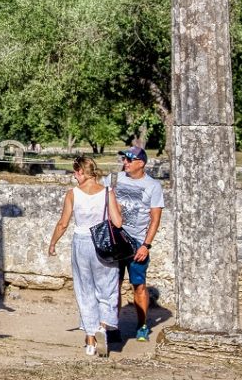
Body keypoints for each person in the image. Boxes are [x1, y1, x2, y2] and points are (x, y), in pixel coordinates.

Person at [48, 156, 123, 357]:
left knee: (85, 290)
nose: (74, 176)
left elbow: (63, 223)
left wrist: (53, 243)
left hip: (81, 242)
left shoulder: (73, 194)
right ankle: (103, 326)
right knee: (107, 288)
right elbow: (117, 222)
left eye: (75, 172)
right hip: (103, 244)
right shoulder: (107, 193)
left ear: (81, 172)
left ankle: (90, 340)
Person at [105, 145, 164, 343]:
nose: (126, 163)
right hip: (116, 238)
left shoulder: (153, 186)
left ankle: (142, 325)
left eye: (130, 160)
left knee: (138, 285)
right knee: (114, 284)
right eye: (124, 159)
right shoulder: (116, 179)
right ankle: (113, 326)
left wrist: (145, 245)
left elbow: (155, 219)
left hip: (137, 241)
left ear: (142, 163)